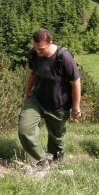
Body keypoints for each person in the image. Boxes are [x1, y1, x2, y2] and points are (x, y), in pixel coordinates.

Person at [18, 28, 81, 169]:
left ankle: (57, 160)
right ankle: (40, 160)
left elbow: (75, 84)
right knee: (24, 129)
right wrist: (27, 93)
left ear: (50, 42)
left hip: (59, 104)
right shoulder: (33, 53)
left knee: (57, 138)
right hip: (37, 99)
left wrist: (76, 109)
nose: (38, 52)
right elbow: (31, 73)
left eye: (41, 49)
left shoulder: (64, 58)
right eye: (36, 48)